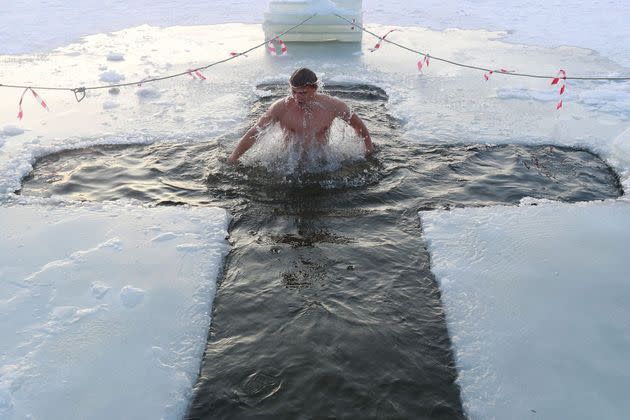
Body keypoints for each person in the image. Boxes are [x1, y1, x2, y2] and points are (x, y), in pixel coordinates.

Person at [228, 68, 374, 164]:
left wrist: (369, 151)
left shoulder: (333, 106)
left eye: (303, 93)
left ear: (315, 88)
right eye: (294, 92)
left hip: (322, 162)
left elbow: (359, 126)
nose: (297, 97)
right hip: (289, 162)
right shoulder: (280, 108)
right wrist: (233, 158)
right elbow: (254, 133)